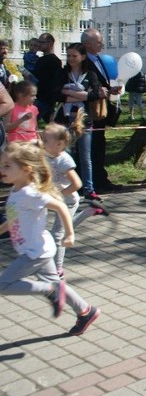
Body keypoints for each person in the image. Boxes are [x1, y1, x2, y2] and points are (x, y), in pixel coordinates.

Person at [0, 142, 99, 336]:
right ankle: (86, 311)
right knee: (57, 283)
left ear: (25, 169)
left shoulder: (30, 193)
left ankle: (48, 291)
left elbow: (61, 207)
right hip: (39, 248)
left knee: (3, 285)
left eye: (7, 165)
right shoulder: (16, 190)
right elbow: (13, 219)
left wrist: (70, 233)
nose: (1, 169)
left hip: (34, 253)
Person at [43, 123, 108, 279]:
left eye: (45, 140)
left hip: (68, 201)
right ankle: (89, 211)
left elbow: (77, 184)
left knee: (58, 235)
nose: (42, 142)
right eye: (42, 138)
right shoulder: (46, 154)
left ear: (59, 144)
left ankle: (58, 269)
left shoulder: (64, 160)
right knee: (64, 228)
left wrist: (60, 195)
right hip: (55, 200)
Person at [54, 43, 102, 201]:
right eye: (68, 56)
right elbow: (55, 93)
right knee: (66, 154)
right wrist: (75, 94)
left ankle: (89, 189)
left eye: (74, 56)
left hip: (83, 119)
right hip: (65, 118)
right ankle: (66, 188)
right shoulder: (62, 73)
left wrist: (81, 95)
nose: (70, 59)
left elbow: (94, 94)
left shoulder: (90, 74)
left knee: (85, 156)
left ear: (82, 57)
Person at [81, 28, 122, 193]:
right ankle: (94, 181)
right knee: (92, 148)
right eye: (98, 41)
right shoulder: (83, 61)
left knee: (99, 145)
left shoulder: (98, 59)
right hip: (89, 111)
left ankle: (100, 178)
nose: (101, 44)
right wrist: (98, 92)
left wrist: (110, 90)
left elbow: (100, 83)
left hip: (101, 111)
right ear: (87, 44)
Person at [33, 33, 64, 123]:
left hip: (45, 99)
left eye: (41, 42)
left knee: (29, 121)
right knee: (51, 124)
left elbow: (57, 80)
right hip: (41, 97)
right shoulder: (41, 59)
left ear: (50, 43)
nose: (38, 44)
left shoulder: (53, 60)